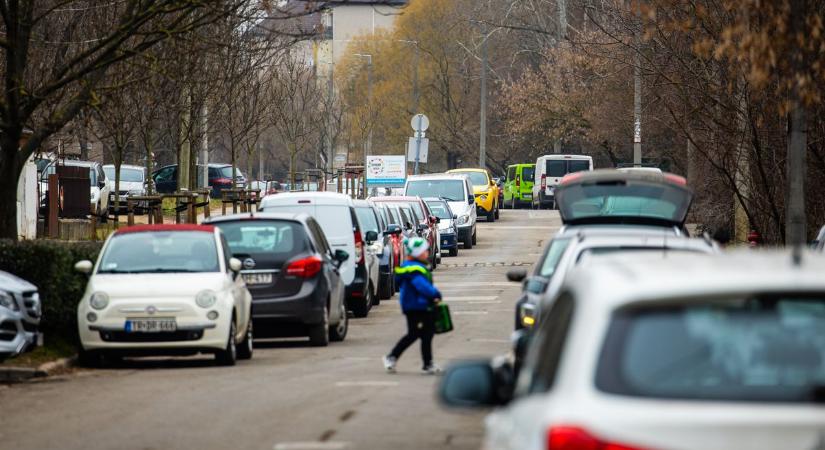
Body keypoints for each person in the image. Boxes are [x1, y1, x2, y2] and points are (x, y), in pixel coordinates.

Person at [383, 237, 442, 375]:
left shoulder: (412, 267)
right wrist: (435, 294)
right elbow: (422, 286)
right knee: (416, 334)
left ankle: (427, 364)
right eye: (425, 251)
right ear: (417, 253)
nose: (427, 253)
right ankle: (392, 357)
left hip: (417, 305)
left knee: (426, 334)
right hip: (416, 306)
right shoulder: (415, 269)